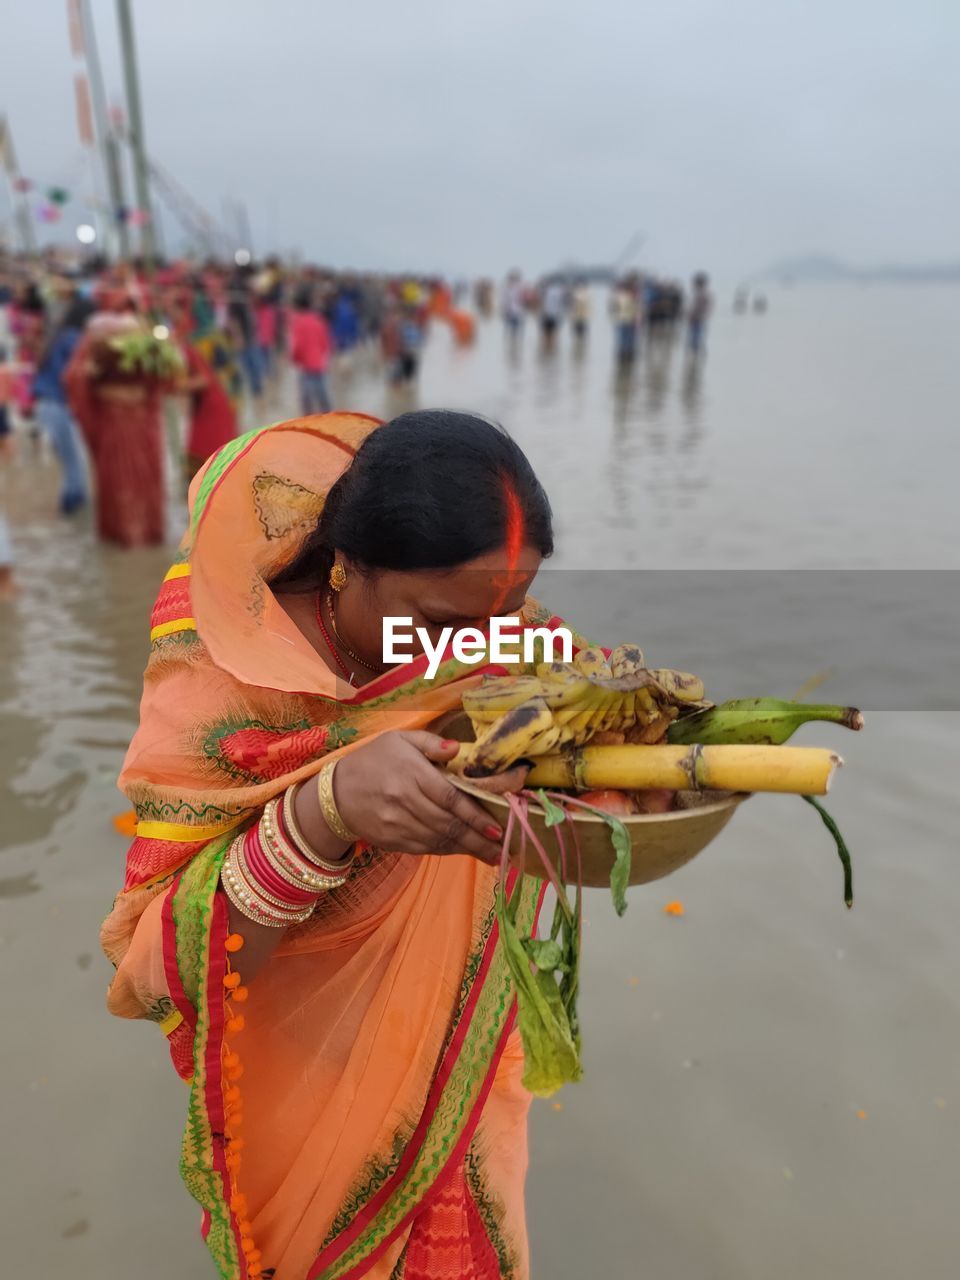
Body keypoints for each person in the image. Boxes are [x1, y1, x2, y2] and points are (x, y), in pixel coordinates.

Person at [102, 410, 567, 1279]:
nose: (476, 653)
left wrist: (656, 779)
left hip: (447, 1065)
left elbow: (582, 730)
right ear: (350, 564)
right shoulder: (221, 659)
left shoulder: (488, 619)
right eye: (437, 622)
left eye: (503, 619)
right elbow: (155, 968)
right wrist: (323, 814)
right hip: (300, 1070)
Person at [63, 307, 176, 547]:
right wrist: (88, 371)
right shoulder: (95, 338)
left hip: (142, 423)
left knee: (145, 478)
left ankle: (147, 533)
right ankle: (124, 535)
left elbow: (167, 380)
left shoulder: (149, 339)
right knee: (119, 479)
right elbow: (74, 376)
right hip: (113, 422)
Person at [32, 293, 94, 514]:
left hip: (46, 405)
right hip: (58, 405)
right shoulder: (73, 338)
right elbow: (73, 375)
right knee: (74, 469)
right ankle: (72, 516)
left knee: (70, 464)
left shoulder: (59, 335)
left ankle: (71, 525)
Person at [289, 290, 333, 414]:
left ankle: (308, 424)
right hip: (319, 363)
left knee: (306, 399)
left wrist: (294, 358)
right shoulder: (319, 320)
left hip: (306, 365)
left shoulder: (298, 322)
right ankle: (329, 418)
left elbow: (298, 346)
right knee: (322, 394)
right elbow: (326, 343)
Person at [687, 271, 713, 358]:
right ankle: (695, 357)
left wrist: (694, 315)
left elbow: (704, 308)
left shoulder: (702, 294)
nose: (693, 284)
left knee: (696, 340)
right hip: (696, 320)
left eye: (694, 283)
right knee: (695, 340)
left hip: (698, 320)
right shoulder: (699, 294)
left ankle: (695, 357)